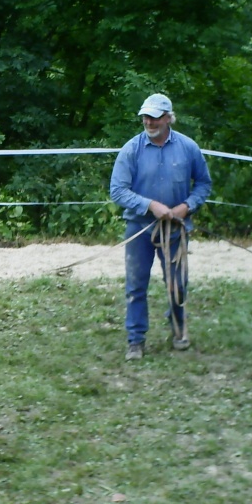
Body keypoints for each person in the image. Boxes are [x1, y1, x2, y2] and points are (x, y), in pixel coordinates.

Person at [109, 93, 212, 361]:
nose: (148, 121)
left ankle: (178, 329)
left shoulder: (189, 148)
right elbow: (118, 190)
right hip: (139, 229)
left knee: (177, 284)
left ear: (168, 118)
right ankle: (135, 340)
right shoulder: (131, 149)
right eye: (145, 116)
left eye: (154, 117)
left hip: (176, 229)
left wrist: (187, 206)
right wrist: (150, 205)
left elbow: (203, 184)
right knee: (135, 285)